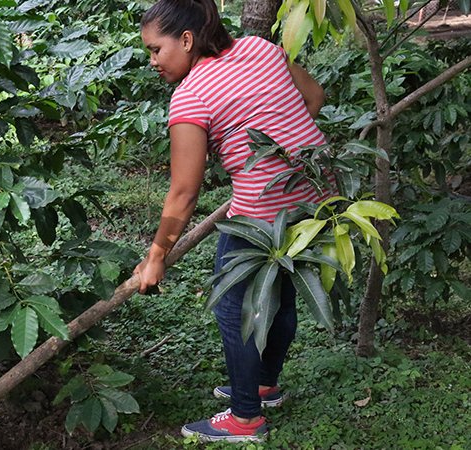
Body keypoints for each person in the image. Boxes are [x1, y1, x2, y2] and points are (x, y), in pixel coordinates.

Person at [134, 0, 328, 443]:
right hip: (317, 193)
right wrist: (281, 155)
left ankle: (245, 418)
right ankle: (264, 385)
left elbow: (184, 192)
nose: (152, 62)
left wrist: (156, 257)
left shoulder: (191, 95)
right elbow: (314, 98)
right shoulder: (260, 47)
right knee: (277, 292)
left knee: (232, 307)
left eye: (155, 50)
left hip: (264, 210)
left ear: (186, 40)